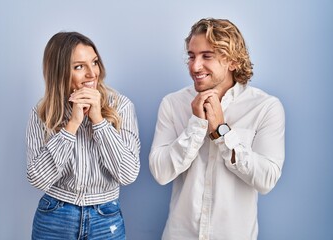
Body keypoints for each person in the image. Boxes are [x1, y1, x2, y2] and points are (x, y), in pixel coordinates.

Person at [149, 18, 285, 240]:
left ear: (232, 61)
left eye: (207, 56)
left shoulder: (265, 108)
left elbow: (266, 180)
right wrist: (196, 125)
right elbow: (161, 172)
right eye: (191, 56)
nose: (195, 66)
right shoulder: (172, 104)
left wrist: (222, 131)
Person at [26, 31, 140, 239]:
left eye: (94, 62)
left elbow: (128, 174)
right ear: (59, 72)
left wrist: (98, 121)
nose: (92, 73)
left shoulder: (121, 106)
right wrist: (73, 124)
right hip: (54, 216)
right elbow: (38, 178)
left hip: (105, 218)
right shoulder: (43, 112)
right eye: (79, 67)